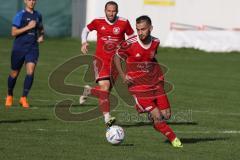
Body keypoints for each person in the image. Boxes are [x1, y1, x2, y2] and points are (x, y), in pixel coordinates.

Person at [114, 15, 183, 148]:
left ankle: (155, 121)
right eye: (138, 29)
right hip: (138, 87)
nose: (140, 32)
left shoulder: (156, 42)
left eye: (143, 29)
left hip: (155, 83)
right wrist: (123, 76)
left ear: (150, 28)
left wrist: (159, 75)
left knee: (166, 115)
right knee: (157, 116)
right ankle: (174, 139)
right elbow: (117, 58)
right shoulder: (130, 43)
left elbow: (151, 59)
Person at [80, 1, 134, 127]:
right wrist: (84, 42)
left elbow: (131, 37)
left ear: (117, 11)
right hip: (101, 61)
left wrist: (128, 49)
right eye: (109, 11)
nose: (111, 13)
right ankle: (107, 118)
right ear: (105, 11)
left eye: (113, 11)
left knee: (106, 92)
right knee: (104, 87)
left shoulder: (124, 22)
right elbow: (85, 30)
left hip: (116, 63)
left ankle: (88, 91)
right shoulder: (98, 21)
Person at [5, 0, 44, 108]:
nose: (32, 2)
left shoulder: (38, 15)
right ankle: (9, 95)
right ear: (25, 1)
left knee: (30, 72)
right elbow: (13, 33)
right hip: (19, 48)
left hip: (32, 48)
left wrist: (41, 36)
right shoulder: (19, 15)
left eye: (34, 0)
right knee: (14, 73)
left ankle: (23, 98)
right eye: (29, 0)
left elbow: (40, 27)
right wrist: (28, 27)